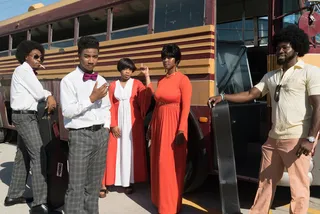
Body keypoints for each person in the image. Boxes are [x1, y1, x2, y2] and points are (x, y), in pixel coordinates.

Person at [208, 25, 320, 214]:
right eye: (278, 48)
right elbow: (251, 94)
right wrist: (224, 97)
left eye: (285, 48)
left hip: (297, 139)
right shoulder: (271, 76)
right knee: (265, 183)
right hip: (273, 139)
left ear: (297, 48)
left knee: (299, 188)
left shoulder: (310, 72)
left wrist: (310, 139)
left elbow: (318, 106)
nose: (280, 51)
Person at [60, 36, 111, 214]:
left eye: (95, 56)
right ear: (79, 56)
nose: (91, 60)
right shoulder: (68, 81)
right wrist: (91, 98)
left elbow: (107, 108)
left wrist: (106, 128)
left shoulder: (102, 80)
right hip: (80, 135)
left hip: (101, 135)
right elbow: (67, 111)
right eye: (87, 56)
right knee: (76, 185)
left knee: (94, 184)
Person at [6, 40, 57, 214]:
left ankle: (14, 195)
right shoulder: (24, 70)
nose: (38, 60)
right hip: (25, 117)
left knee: (22, 155)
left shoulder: (26, 71)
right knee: (38, 154)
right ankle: (39, 203)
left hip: (22, 116)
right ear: (25, 56)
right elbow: (38, 93)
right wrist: (50, 95)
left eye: (40, 57)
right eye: (35, 56)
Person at [148, 44, 192, 214]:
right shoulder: (161, 80)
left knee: (171, 166)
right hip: (159, 124)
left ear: (177, 59)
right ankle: (159, 201)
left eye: (169, 57)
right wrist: (151, 126)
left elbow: (186, 107)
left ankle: (170, 206)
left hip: (173, 125)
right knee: (158, 163)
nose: (166, 60)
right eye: (164, 57)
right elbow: (157, 105)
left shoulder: (183, 80)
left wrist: (181, 131)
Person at [100, 58, 152, 197]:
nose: (127, 72)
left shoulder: (137, 83)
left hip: (133, 124)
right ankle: (107, 182)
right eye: (124, 69)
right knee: (113, 152)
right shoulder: (113, 86)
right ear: (120, 70)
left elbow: (147, 96)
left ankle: (128, 182)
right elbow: (109, 105)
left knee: (130, 151)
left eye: (130, 69)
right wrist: (113, 125)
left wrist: (147, 76)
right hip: (117, 123)